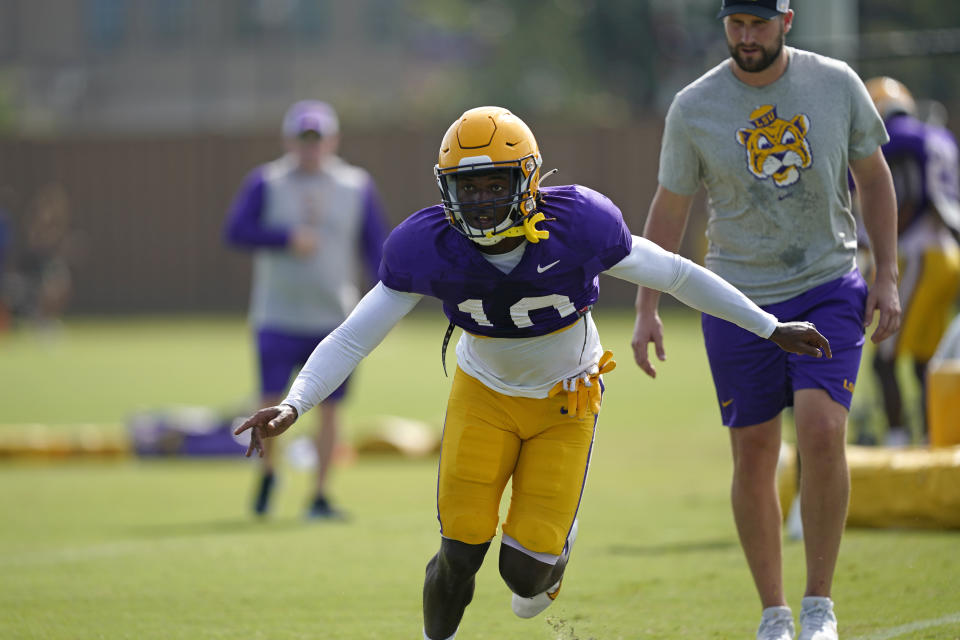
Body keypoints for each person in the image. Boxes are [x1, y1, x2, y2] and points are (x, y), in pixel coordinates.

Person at [234, 106, 831, 640]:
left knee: (523, 578)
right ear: (447, 190)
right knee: (458, 551)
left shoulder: (580, 224)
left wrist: (768, 326)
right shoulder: (426, 244)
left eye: (498, 184)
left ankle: (554, 552)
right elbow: (354, 335)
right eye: (470, 187)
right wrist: (296, 403)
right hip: (483, 395)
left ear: (530, 179)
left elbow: (674, 273)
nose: (484, 200)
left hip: (566, 400)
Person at [630, 2, 901, 639]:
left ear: (787, 20)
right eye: (735, 26)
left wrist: (886, 273)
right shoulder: (693, 107)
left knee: (821, 427)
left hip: (828, 286)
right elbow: (668, 210)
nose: (746, 39)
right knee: (753, 451)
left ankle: (819, 608)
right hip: (735, 299)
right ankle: (775, 615)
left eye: (758, 24)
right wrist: (646, 306)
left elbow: (876, 180)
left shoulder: (836, 85)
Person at [224, 100, 389, 519]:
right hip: (276, 316)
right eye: (304, 139)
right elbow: (236, 231)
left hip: (334, 320)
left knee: (330, 410)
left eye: (318, 139)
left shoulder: (356, 185)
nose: (311, 148)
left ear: (332, 141)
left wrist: (386, 303)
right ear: (289, 141)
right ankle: (267, 472)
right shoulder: (267, 182)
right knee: (269, 400)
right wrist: (284, 239)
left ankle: (319, 493)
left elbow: (377, 247)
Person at [860, 77, 960, 446]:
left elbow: (895, 193)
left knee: (883, 359)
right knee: (926, 361)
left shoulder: (894, 137)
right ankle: (936, 436)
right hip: (948, 254)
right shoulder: (939, 136)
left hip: (917, 254)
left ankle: (898, 440)